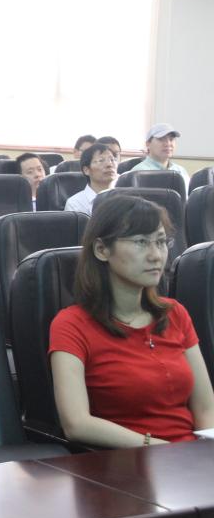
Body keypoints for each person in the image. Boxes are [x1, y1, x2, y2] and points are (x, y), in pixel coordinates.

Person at [50, 195, 214, 447]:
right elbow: (76, 424)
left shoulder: (174, 313)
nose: (156, 255)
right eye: (141, 242)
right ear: (102, 250)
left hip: (191, 456)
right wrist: (164, 450)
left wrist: (204, 453)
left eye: (161, 242)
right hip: (127, 460)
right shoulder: (71, 325)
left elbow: (206, 408)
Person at [64, 143, 118, 216]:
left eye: (112, 160)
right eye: (101, 160)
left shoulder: (123, 197)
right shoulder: (75, 204)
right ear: (86, 170)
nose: (109, 164)